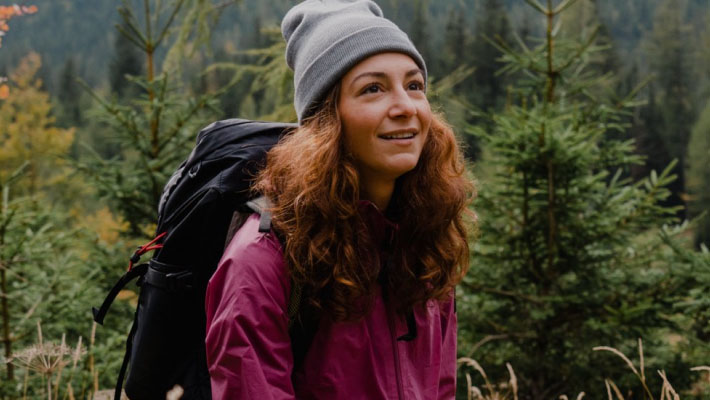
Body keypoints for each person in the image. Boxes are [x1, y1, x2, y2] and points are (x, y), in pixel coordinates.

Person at [204, 0, 475, 398]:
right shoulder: (264, 260)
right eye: (373, 89)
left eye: (414, 85)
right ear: (326, 121)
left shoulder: (424, 240)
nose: (405, 107)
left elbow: (442, 389)